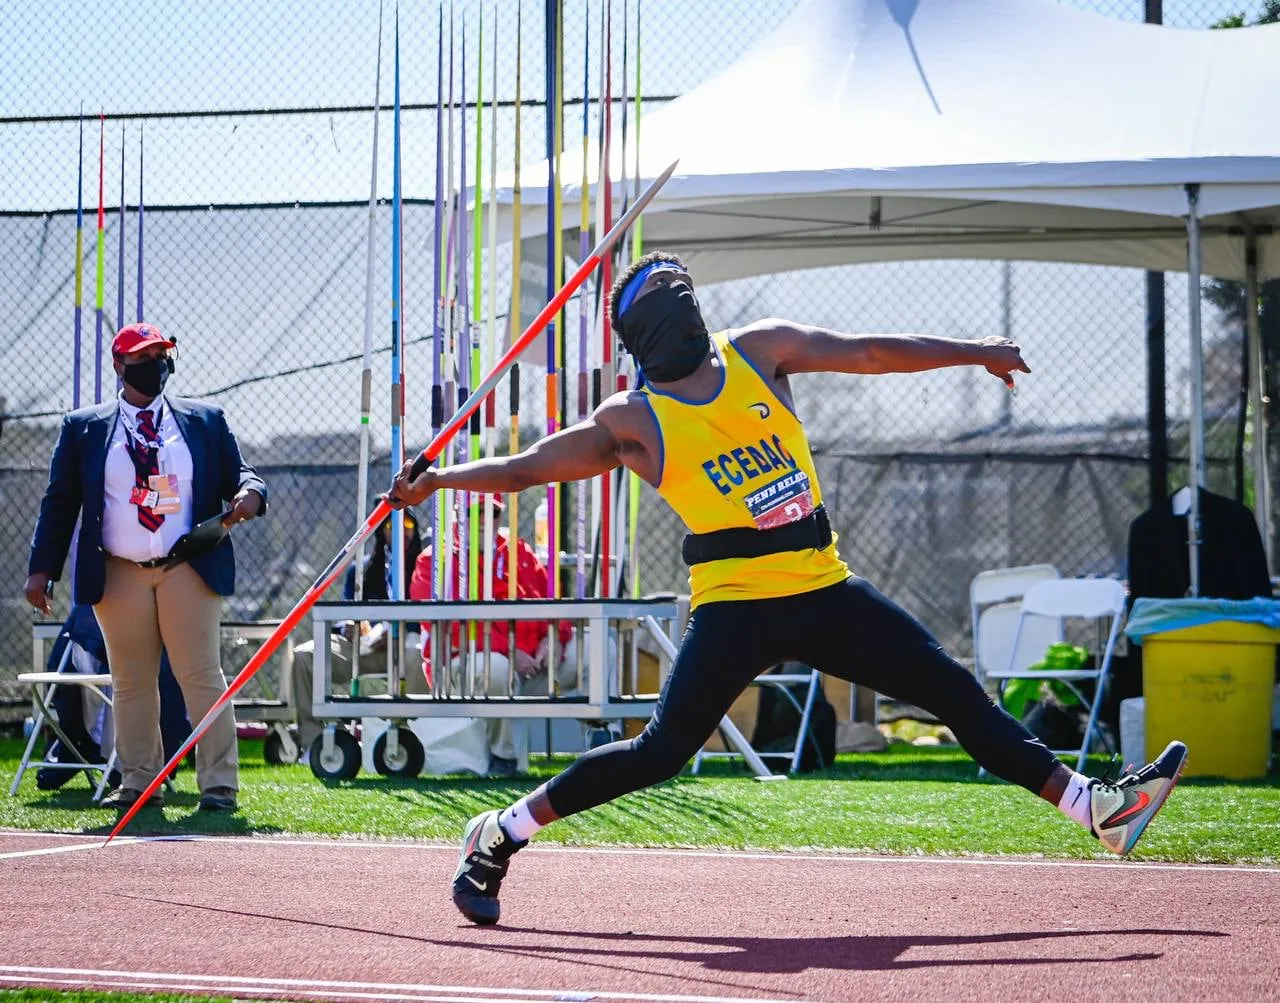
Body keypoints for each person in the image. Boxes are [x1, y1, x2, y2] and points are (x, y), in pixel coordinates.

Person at [386, 251, 1187, 926]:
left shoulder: (757, 350)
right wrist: (439, 479)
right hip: (735, 609)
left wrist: (972, 349)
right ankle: (498, 831)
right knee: (661, 752)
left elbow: (870, 352)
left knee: (948, 686)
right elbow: (529, 468)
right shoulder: (635, 416)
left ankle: (1095, 807)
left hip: (823, 588)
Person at [24, 322, 267, 812]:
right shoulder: (84, 427)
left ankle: (219, 785)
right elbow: (61, 501)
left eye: (160, 355)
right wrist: (41, 568)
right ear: (119, 365)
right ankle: (139, 782)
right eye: (142, 357)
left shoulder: (204, 419)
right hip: (118, 570)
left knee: (200, 673)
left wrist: (251, 494)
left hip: (188, 565)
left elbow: (242, 473)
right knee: (132, 680)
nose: (154, 364)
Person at [408, 494, 573, 777]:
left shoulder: (518, 553)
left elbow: (553, 602)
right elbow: (451, 627)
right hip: (464, 668)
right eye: (476, 512)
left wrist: (554, 636)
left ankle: (605, 739)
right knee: (494, 668)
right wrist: (509, 650)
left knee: (597, 649)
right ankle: (503, 757)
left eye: (493, 512)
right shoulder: (437, 561)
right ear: (459, 514)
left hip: (532, 664)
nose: (485, 520)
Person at [290, 509, 426, 764]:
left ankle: (412, 732)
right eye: (391, 524)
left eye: (408, 522)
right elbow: (347, 611)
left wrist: (404, 628)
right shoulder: (362, 571)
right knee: (306, 655)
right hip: (365, 647)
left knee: (414, 647)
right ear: (381, 531)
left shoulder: (426, 566)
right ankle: (316, 743)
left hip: (406, 646)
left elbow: (432, 620)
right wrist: (347, 628)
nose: (401, 529)